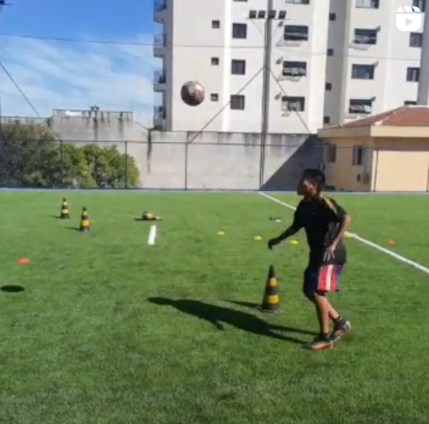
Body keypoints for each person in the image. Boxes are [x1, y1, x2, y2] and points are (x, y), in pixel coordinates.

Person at [268, 169, 352, 351]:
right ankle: (340, 323)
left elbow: (346, 218)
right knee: (309, 291)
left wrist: (333, 243)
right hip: (316, 254)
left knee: (317, 292)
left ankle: (325, 338)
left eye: (303, 183)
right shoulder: (304, 205)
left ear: (314, 186)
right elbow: (295, 227)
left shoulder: (325, 202)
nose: (299, 185)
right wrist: (278, 239)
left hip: (330, 255)